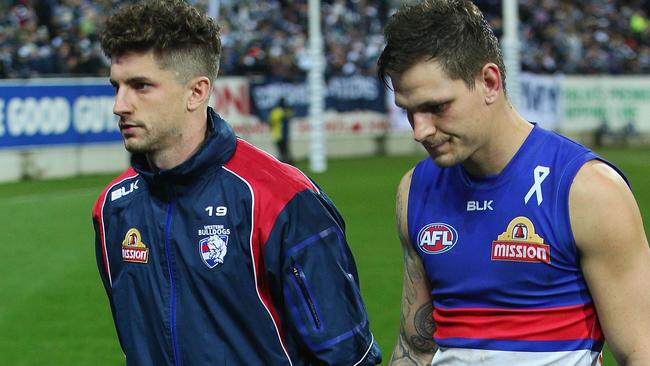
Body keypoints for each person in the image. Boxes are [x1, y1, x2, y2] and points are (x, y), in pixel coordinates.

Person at [91, 1, 381, 365]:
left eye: (140, 86)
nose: (120, 105)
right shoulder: (113, 207)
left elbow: (347, 356)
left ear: (196, 92)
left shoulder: (283, 199)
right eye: (116, 86)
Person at [377, 1, 650, 365]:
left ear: (489, 82)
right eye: (408, 111)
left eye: (436, 107)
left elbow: (641, 349)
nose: (420, 130)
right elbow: (415, 348)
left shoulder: (586, 189)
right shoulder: (416, 189)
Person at [268, 97, 294, 164]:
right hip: (282, 134)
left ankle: (285, 163)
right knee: (285, 151)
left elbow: (270, 121)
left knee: (282, 151)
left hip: (279, 134)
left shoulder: (276, 111)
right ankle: (288, 163)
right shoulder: (283, 111)